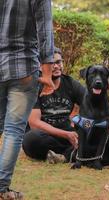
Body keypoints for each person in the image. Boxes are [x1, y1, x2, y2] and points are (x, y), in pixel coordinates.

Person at [0, 0, 55, 199]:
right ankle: (1, 188)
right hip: (23, 66)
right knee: (14, 130)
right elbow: (45, 31)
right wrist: (47, 73)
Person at [22, 47, 86, 164]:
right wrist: (66, 135)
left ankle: (61, 157)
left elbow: (90, 104)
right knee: (31, 139)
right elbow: (34, 124)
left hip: (66, 134)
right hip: (43, 135)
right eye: (51, 63)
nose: (56, 66)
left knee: (90, 134)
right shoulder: (34, 87)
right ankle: (71, 153)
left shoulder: (71, 84)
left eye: (58, 62)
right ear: (41, 66)